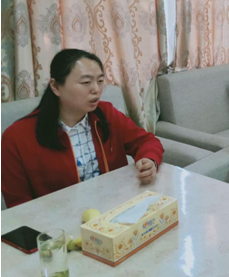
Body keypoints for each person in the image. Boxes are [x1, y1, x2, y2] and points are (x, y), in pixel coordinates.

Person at [2, 49, 164, 208]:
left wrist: (149, 161)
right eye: (86, 82)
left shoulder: (106, 114)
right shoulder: (16, 138)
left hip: (114, 208)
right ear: (56, 86)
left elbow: (147, 141)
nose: (96, 89)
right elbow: (18, 207)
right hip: (60, 220)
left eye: (100, 81)